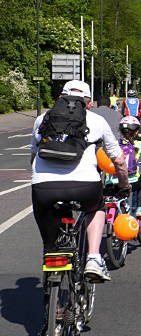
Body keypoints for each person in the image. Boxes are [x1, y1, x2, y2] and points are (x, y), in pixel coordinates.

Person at [30, 80, 130, 282]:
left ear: (61, 98)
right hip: (85, 186)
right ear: (89, 103)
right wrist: (124, 185)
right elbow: (118, 161)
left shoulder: (42, 119)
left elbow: (33, 156)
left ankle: (53, 294)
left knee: (51, 243)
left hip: (44, 187)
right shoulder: (97, 121)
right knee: (96, 208)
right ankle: (93, 257)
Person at [105, 116, 141, 219]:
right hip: (131, 181)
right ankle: (140, 207)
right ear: (136, 132)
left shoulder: (113, 144)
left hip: (111, 182)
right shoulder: (138, 144)